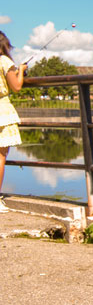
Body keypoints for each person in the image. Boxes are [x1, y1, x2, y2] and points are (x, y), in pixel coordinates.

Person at [0, 31, 27, 213]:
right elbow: (16, 86)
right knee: (0, 156)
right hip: (2, 112)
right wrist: (21, 71)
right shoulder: (4, 62)